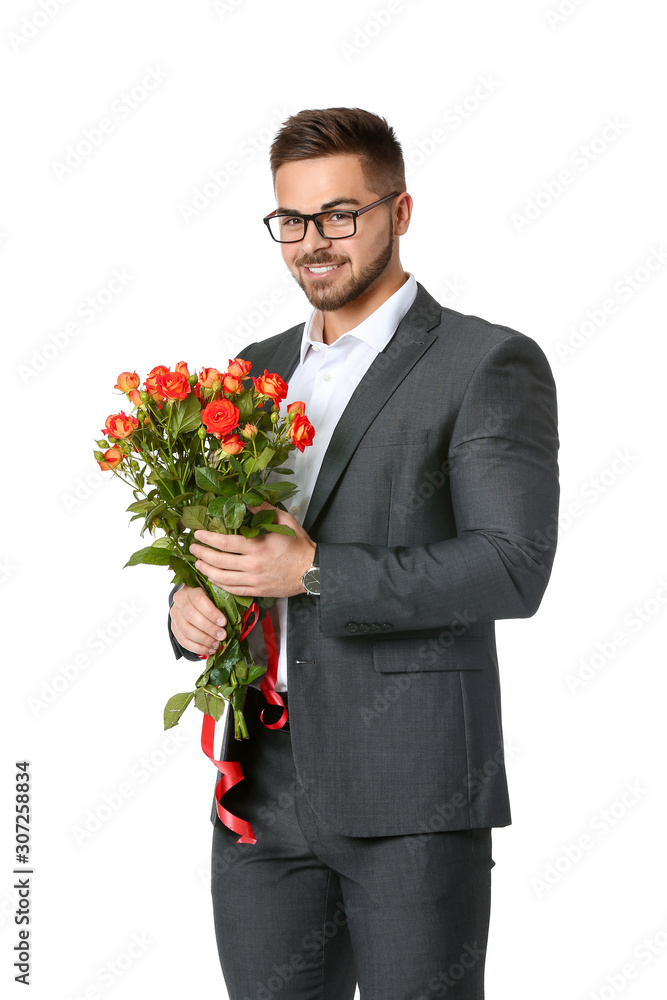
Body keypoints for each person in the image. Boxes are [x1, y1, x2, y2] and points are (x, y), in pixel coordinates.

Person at [168, 107, 560, 1000]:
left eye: (341, 214)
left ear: (401, 211)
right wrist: (194, 605)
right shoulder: (252, 369)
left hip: (411, 791)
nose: (314, 242)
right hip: (258, 786)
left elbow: (512, 564)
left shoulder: (484, 362)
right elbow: (228, 548)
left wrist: (309, 573)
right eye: (293, 220)